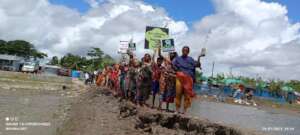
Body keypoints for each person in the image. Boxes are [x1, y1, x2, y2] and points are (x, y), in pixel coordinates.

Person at [172, 46, 201, 114]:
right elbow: (173, 65)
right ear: (182, 51)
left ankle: (184, 111)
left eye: (186, 50)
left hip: (188, 79)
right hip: (180, 78)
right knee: (178, 93)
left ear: (188, 52)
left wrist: (199, 57)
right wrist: (177, 71)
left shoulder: (191, 59)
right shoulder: (177, 58)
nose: (185, 51)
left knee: (187, 95)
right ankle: (177, 110)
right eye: (184, 50)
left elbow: (197, 65)